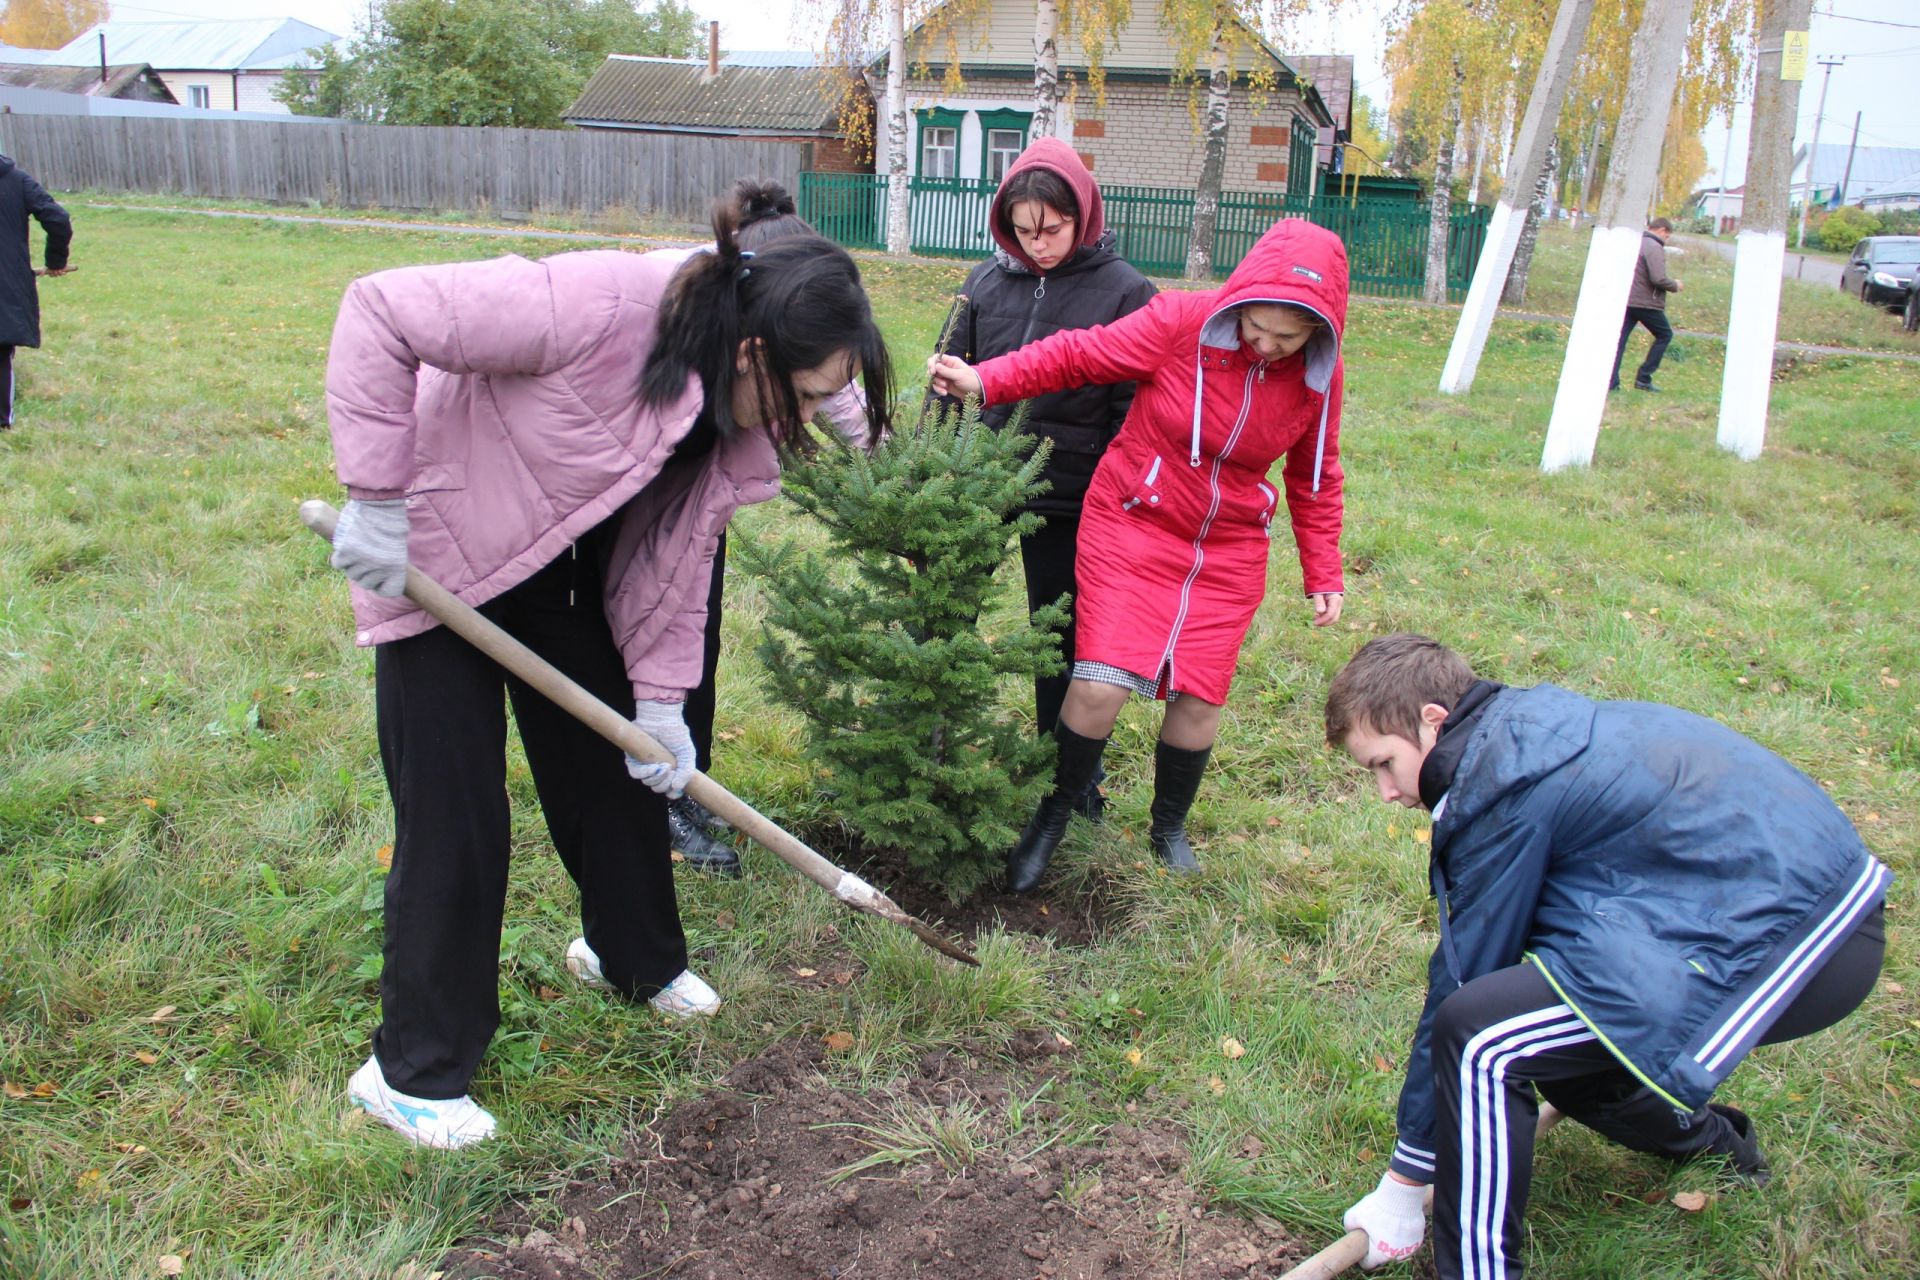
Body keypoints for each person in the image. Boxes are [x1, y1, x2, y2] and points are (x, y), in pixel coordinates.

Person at [324, 201, 893, 1148]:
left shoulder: (737, 414)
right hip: (436, 553)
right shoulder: (598, 302)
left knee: (615, 759)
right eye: (807, 395)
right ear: (753, 354)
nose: (807, 423)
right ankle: (412, 1074)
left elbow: (670, 566)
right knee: (458, 812)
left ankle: (633, 961)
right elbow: (379, 310)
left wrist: (662, 705)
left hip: (551, 557)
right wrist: (376, 502)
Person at [1324, 633, 1889, 1278]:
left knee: (1481, 1037)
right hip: (1817, 907)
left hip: (1790, 941)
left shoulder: (1500, 785)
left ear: (1432, 721)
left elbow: (1462, 978)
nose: (1386, 792)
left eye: (1382, 764)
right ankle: (1720, 1152)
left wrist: (1404, 1184)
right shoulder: (1528, 731)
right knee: (1552, 1040)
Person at [929, 216, 1348, 891]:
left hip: (1229, 542)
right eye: (1256, 328)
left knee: (1200, 696)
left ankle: (1168, 826)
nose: (1267, 346)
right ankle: (1054, 814)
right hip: (1135, 518)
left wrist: (1322, 570)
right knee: (1100, 683)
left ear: (1318, 333)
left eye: (1288, 337)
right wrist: (989, 381)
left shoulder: (1318, 376)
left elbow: (1315, 473)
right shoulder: (1183, 322)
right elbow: (1078, 354)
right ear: (1239, 302)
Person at [931, 139, 1155, 821]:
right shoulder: (984, 282)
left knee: (1058, 634)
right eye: (1024, 231)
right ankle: (930, 744)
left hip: (1071, 492)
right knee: (946, 609)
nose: (1039, 245)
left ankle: (1068, 776)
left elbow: (1133, 406)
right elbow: (947, 382)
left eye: (1051, 229)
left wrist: (1111, 490)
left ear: (1080, 215)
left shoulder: (1126, 291)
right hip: (978, 483)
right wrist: (933, 462)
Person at [661, 179, 874, 877]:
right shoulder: (682, 305)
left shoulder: (801, 332)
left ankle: (689, 782)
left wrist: (892, 459)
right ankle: (651, 800)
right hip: (651, 483)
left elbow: (838, 393)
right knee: (645, 637)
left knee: (698, 629)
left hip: (704, 486)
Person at [0, 153, 74, 429]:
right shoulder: (17, 181)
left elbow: (56, 218)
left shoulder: (16, 180)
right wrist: (57, 260)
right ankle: (2, 423)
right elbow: (57, 218)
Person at [1609, 215, 1681, 393]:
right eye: (1667, 236)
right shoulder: (1654, 246)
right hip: (1646, 302)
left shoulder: (1636, 242)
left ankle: (1611, 381)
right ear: (1662, 230)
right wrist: (1675, 285)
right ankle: (1644, 378)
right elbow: (1658, 278)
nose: (1666, 239)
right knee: (1664, 335)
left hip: (1627, 300)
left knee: (1619, 341)